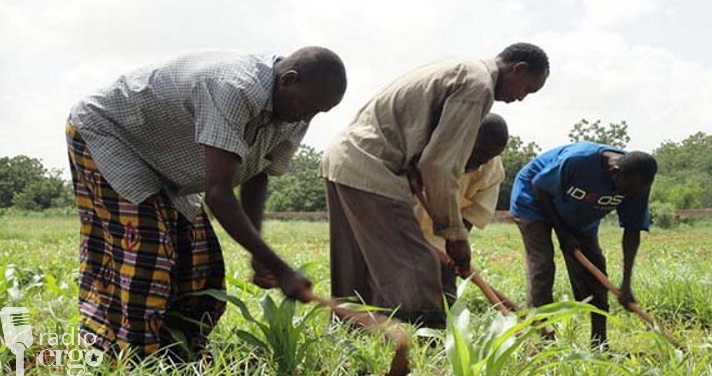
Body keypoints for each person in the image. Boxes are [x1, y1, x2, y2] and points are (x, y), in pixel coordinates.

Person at [65, 46, 347, 360]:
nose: (308, 117)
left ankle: (179, 349)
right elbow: (218, 194)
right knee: (146, 250)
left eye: (319, 112)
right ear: (288, 80)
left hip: (166, 161)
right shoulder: (233, 88)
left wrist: (260, 256)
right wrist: (283, 270)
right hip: (108, 132)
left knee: (200, 258)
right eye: (308, 106)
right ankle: (131, 354)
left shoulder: (296, 107)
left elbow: (258, 174)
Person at [320, 42, 549, 328]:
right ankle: (428, 351)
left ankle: (352, 346)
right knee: (418, 269)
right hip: (373, 168)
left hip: (344, 160)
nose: (521, 99)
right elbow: (440, 166)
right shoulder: (478, 86)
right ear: (519, 69)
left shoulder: (461, 67)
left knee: (354, 270)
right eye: (527, 89)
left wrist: (414, 167)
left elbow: (422, 150)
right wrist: (454, 235)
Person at [509, 141, 658, 348]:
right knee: (542, 265)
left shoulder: (637, 183)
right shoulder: (578, 161)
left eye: (637, 191)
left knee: (595, 268)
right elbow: (538, 185)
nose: (631, 195)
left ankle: (599, 343)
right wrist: (562, 234)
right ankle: (542, 339)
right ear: (613, 172)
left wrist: (625, 285)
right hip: (533, 200)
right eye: (628, 189)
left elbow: (632, 232)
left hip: (579, 212)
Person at [410, 113, 508, 302]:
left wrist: (455, 249)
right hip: (403, 232)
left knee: (444, 299)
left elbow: (470, 217)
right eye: (479, 154)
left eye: (490, 157)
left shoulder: (492, 172)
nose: (484, 162)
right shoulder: (429, 151)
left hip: (441, 242)